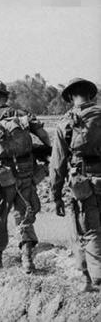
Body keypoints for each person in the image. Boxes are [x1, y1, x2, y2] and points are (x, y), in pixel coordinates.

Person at [0, 81, 51, 273]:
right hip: (26, 171)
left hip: (3, 176)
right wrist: (48, 152)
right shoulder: (24, 114)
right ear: (6, 97)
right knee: (25, 214)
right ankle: (27, 260)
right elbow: (44, 135)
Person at [50, 78, 101, 291]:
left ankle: (92, 280)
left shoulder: (65, 124)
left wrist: (56, 196)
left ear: (71, 97)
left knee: (86, 231)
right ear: (91, 95)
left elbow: (57, 164)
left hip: (83, 184)